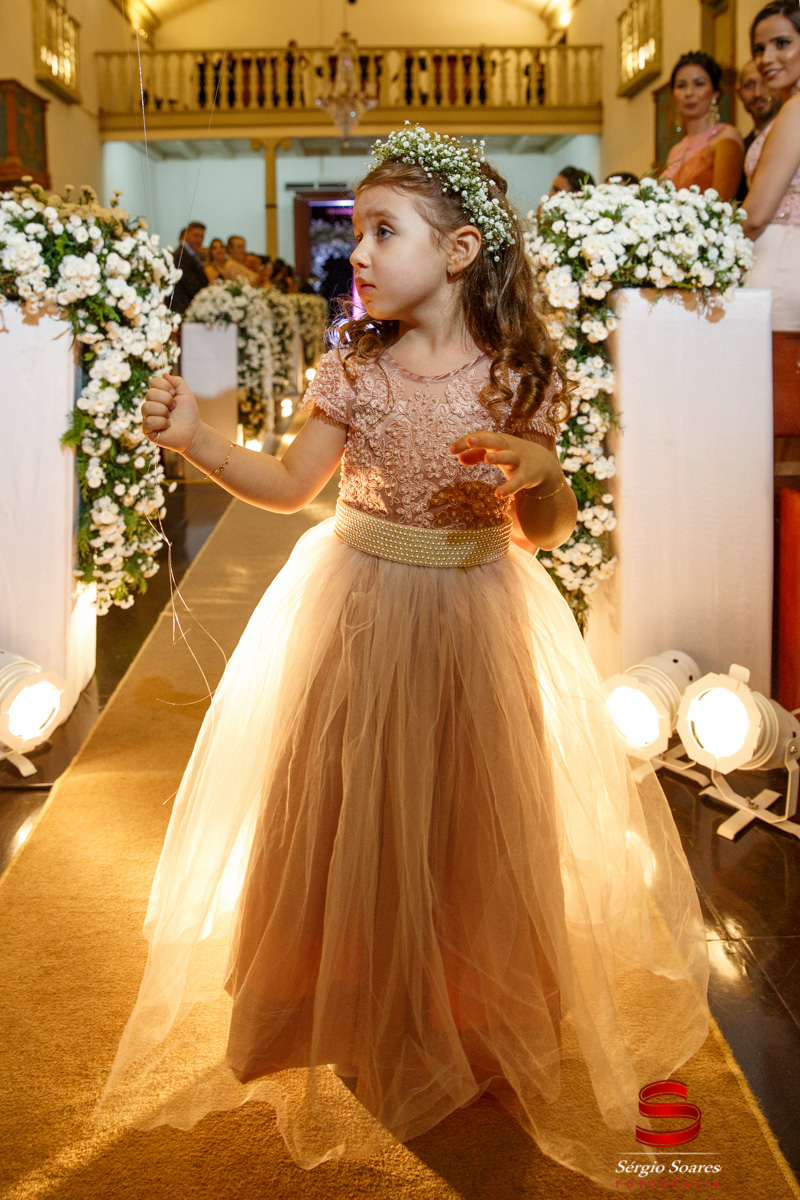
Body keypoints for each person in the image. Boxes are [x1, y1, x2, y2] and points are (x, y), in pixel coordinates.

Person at [101, 126, 709, 1190]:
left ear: (461, 249)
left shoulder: (516, 377)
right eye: (359, 231)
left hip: (474, 616)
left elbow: (543, 533)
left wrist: (543, 477)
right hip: (359, 609)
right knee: (346, 803)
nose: (360, 252)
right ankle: (344, 994)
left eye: (385, 231)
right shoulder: (354, 367)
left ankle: (464, 1009)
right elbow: (288, 484)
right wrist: (197, 439)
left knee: (466, 811)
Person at [743, 0, 800, 331]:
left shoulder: (796, 109)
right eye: (759, 48)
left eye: (782, 43)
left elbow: (756, 216)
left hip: (780, 264)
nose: (766, 58)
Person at [660, 51, 744, 199]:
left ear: (715, 92)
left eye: (699, 84)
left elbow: (722, 203)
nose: (689, 93)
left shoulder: (726, 136)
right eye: (681, 85)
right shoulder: (675, 150)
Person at [736, 58, 782, 201]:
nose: (757, 93)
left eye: (765, 82)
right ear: (739, 94)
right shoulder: (740, 149)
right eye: (749, 85)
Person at [170, 221, 208, 314]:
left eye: (202, 237)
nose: (199, 240)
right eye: (196, 235)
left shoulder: (194, 255)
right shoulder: (180, 255)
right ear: (186, 234)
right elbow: (192, 285)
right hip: (182, 310)